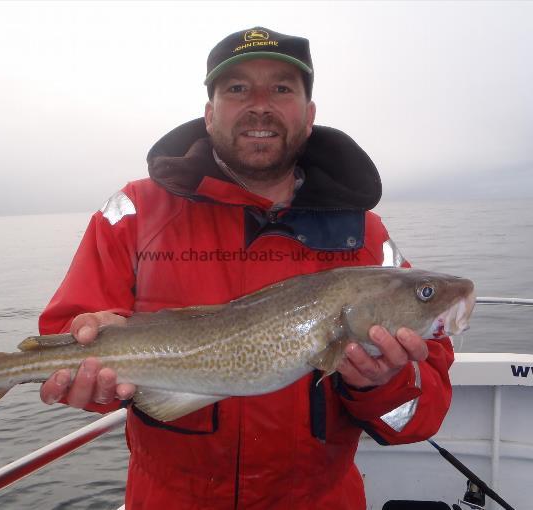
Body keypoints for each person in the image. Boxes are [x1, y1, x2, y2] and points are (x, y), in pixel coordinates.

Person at [38, 27, 454, 509]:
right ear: (210, 112)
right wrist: (85, 357)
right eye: (237, 89)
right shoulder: (135, 212)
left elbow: (418, 416)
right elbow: (66, 336)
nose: (260, 105)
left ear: (309, 113)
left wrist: (384, 383)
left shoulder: (367, 236)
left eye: (281, 88)